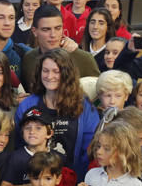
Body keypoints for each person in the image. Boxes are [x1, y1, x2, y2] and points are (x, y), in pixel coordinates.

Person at [14, 49, 99, 178]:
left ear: (66, 74)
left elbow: (90, 148)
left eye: (56, 71)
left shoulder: (83, 105)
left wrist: (79, 181)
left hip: (73, 179)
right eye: (45, 70)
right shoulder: (27, 105)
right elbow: (19, 145)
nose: (49, 76)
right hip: (35, 180)